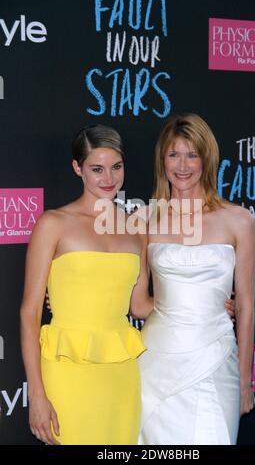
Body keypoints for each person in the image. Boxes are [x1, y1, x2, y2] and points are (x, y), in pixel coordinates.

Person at [20, 124, 151, 445]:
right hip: (67, 369)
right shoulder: (53, 224)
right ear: (77, 168)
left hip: (121, 372)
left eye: (116, 167)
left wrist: (202, 301)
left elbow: (140, 306)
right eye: (97, 168)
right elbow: (29, 313)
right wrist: (36, 395)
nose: (109, 179)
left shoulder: (137, 229)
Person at [131, 113, 255, 445]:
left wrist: (245, 380)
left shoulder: (239, 220)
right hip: (157, 362)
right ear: (163, 159)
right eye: (174, 154)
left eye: (192, 154)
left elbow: (246, 306)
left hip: (217, 361)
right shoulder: (145, 218)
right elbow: (138, 304)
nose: (182, 165)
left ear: (207, 158)